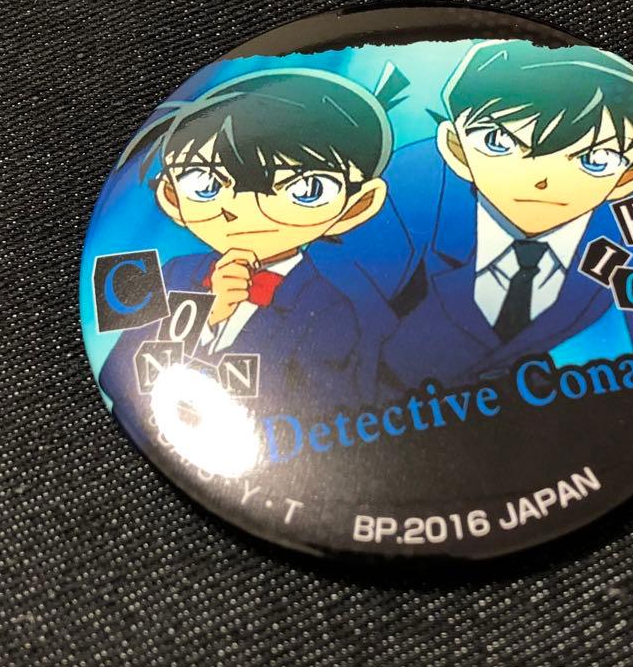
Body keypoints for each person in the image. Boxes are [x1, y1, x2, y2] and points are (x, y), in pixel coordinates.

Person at [358, 39, 633, 392]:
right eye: (499, 142)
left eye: (595, 159)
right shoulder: (405, 190)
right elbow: (341, 316)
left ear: (630, 177)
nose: (542, 179)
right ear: (456, 149)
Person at [97, 64, 407, 417]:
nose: (244, 208)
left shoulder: (327, 309)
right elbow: (116, 377)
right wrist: (206, 316)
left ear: (356, 206)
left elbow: (320, 420)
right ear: (171, 196)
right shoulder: (171, 273)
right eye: (206, 184)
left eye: (306, 189)